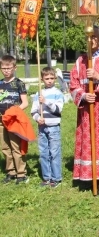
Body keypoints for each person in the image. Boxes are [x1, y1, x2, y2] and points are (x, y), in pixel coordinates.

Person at [70, 25, 99, 195]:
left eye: (94, 37)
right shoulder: (80, 61)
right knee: (88, 139)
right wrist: (83, 96)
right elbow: (73, 85)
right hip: (87, 111)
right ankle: (90, 176)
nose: (91, 41)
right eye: (88, 37)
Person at [31, 67, 64, 188]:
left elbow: (58, 109)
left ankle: (56, 178)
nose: (49, 81)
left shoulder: (57, 93)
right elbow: (33, 111)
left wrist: (46, 102)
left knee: (54, 152)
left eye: (51, 78)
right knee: (44, 152)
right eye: (46, 78)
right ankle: (46, 177)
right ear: (42, 79)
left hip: (54, 127)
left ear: (55, 78)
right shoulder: (38, 94)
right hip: (42, 127)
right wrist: (37, 118)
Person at [0, 55, 29, 184]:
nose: (6, 70)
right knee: (5, 147)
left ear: (14, 68)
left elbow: (25, 103)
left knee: (16, 146)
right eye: (3, 68)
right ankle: (10, 171)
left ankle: (21, 173)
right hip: (1, 120)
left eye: (9, 68)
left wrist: (13, 112)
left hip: (13, 121)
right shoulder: (0, 83)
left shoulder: (18, 83)